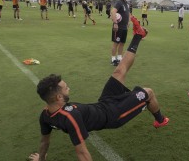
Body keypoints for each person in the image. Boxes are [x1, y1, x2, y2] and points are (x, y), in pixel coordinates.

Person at [28, 16, 169, 161]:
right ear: (58, 97)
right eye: (65, 88)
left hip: (104, 103)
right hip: (114, 115)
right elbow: (83, 154)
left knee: (119, 71)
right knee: (148, 93)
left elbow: (44, 141)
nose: (68, 87)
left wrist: (41, 159)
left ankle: (138, 35)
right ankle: (160, 120)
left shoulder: (45, 114)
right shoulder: (70, 117)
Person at [110, 0, 131, 66]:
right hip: (118, 27)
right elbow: (113, 12)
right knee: (116, 43)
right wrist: (115, 23)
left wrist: (129, 21)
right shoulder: (119, 2)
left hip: (124, 27)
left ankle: (119, 58)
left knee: (122, 43)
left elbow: (128, 13)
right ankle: (113, 59)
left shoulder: (126, 3)